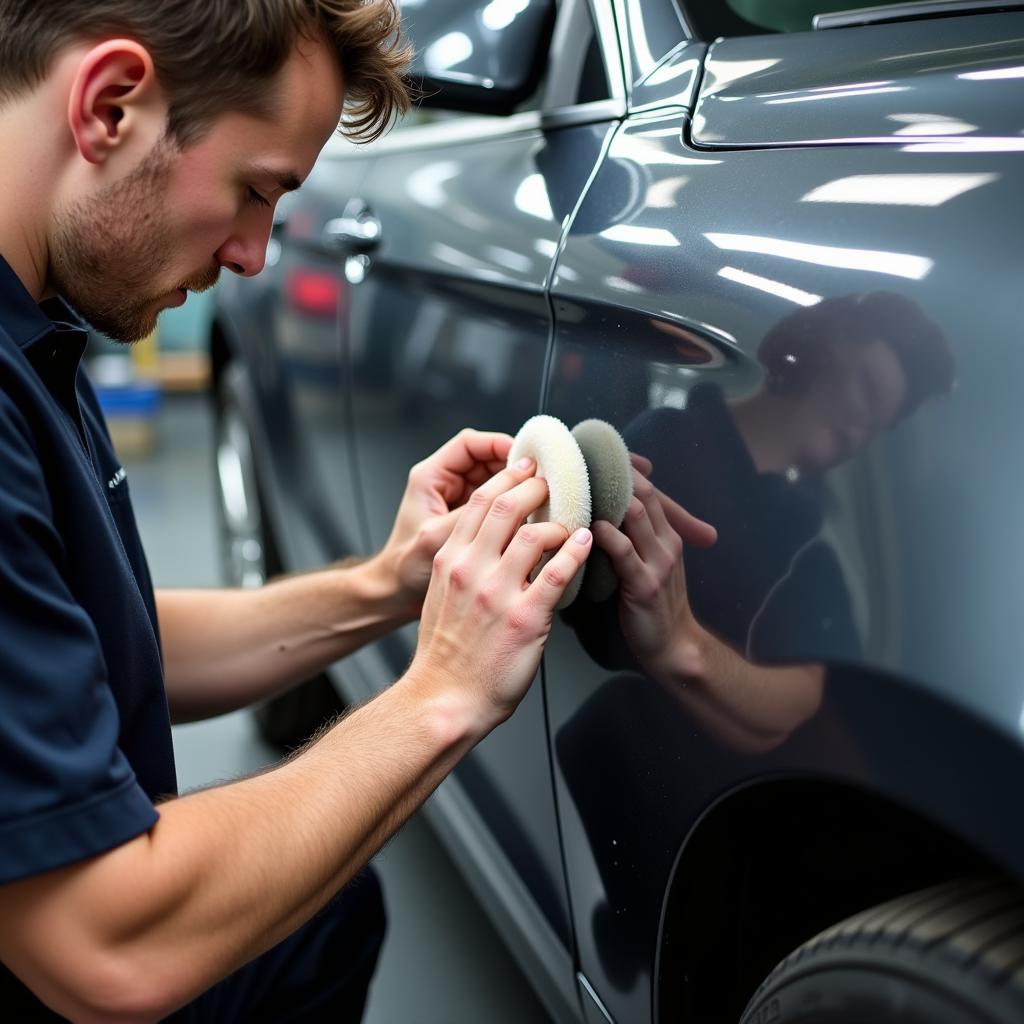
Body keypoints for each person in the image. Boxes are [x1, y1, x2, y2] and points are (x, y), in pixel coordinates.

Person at [0, 2, 621, 1019]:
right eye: (255, 191)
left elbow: (94, 641)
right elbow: (97, 940)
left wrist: (389, 584)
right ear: (110, 106)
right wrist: (443, 692)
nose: (254, 253)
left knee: (322, 922)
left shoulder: (38, 315)